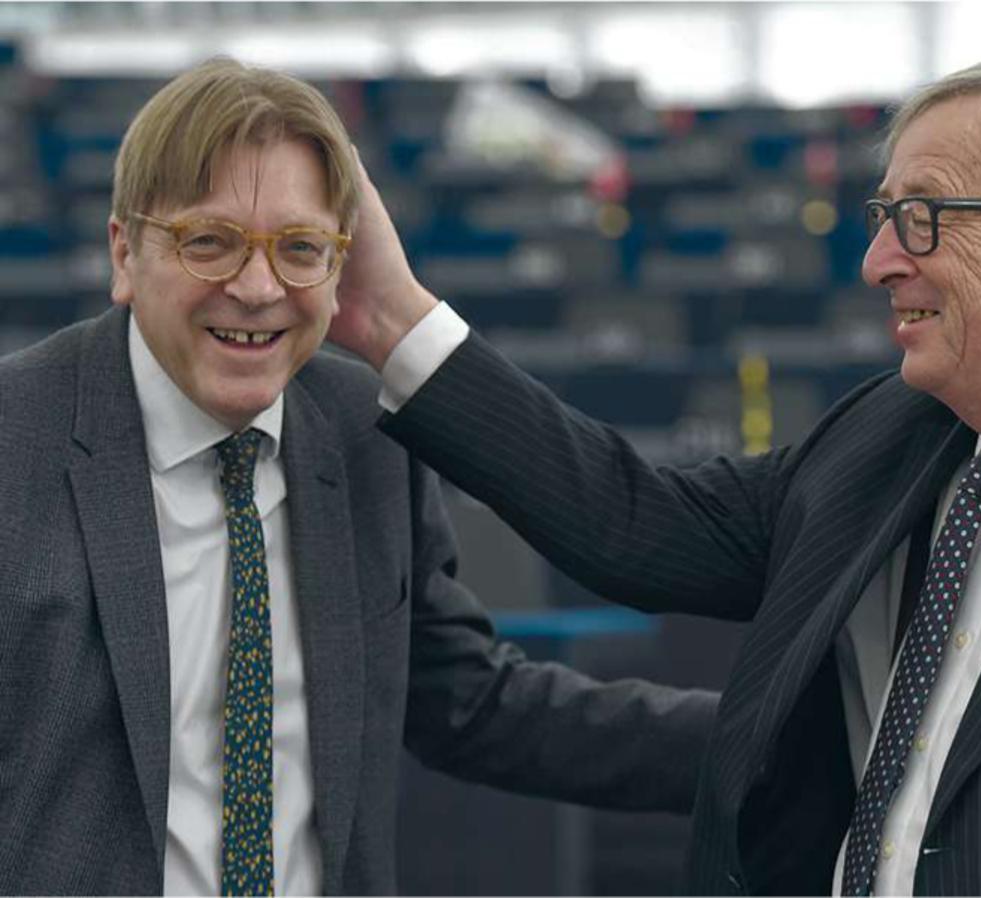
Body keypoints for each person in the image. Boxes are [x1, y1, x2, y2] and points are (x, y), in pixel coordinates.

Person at [333, 53, 981, 895]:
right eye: (883, 216)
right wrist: (391, 318)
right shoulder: (885, 438)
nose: (879, 263)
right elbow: (635, 525)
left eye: (925, 218)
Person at [0, 59, 721, 896]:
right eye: (210, 242)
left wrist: (775, 738)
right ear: (125, 252)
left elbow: (475, 704)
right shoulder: (18, 439)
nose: (258, 286)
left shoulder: (362, 427)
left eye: (300, 249)